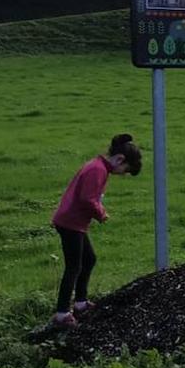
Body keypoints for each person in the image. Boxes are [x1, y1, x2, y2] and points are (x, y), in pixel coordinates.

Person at [50, 133, 142, 328]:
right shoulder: (97, 170)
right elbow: (87, 199)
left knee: (89, 259)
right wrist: (101, 213)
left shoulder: (98, 166)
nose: (123, 174)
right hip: (70, 222)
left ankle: (81, 303)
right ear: (120, 159)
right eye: (125, 170)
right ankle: (62, 313)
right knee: (73, 266)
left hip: (74, 222)